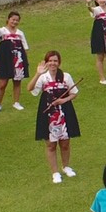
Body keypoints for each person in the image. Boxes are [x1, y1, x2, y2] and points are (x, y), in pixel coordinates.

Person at [30, 51, 80, 184]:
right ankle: (55, 172)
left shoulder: (66, 76)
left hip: (64, 112)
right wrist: (37, 74)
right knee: (51, 144)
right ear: (46, 62)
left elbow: (74, 93)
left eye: (55, 61)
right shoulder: (43, 77)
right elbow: (30, 89)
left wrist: (63, 101)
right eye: (50, 61)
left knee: (65, 142)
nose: (53, 63)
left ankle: (66, 166)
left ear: (59, 62)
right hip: (48, 114)